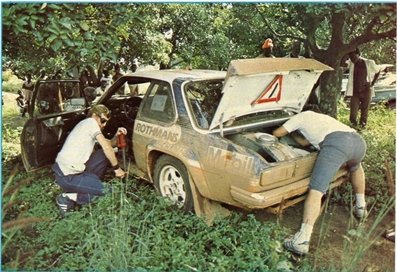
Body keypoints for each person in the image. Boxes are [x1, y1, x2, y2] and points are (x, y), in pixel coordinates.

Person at [272, 110, 367, 255]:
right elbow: (304, 141)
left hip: (337, 145)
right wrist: (296, 135)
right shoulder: (318, 118)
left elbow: (278, 133)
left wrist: (275, 131)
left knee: (316, 190)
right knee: (356, 167)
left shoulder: (298, 117)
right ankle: (361, 207)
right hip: (358, 142)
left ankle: (302, 240)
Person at [52, 104, 126, 217]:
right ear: (94, 116)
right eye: (102, 120)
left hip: (75, 171)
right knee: (111, 193)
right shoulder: (90, 123)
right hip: (68, 176)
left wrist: (116, 135)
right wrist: (117, 169)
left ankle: (90, 186)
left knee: (102, 154)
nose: (103, 125)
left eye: (106, 122)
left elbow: (109, 144)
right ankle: (68, 197)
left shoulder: (87, 127)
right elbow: (107, 148)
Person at [345, 48, 381, 128]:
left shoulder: (369, 62)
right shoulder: (350, 63)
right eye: (350, 57)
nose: (352, 59)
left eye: (353, 57)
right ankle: (353, 126)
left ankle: (362, 126)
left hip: (366, 90)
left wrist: (373, 83)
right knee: (353, 112)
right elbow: (342, 63)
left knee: (364, 110)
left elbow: (378, 71)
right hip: (355, 91)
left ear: (358, 54)